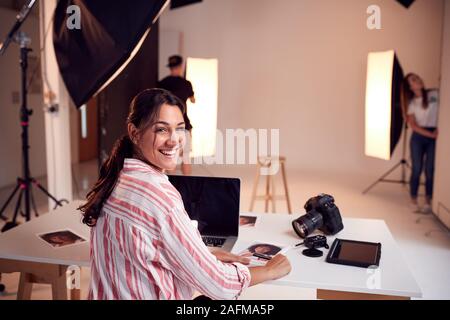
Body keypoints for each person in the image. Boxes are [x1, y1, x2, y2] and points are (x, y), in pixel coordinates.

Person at [79, 89, 291, 300]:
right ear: (134, 132)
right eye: (161, 130)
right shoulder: (159, 197)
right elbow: (221, 286)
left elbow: (138, 252)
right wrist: (270, 270)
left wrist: (200, 255)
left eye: (179, 129)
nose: (174, 141)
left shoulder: (116, 178)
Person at [402, 73, 439, 213]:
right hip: (418, 137)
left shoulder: (435, 94)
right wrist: (431, 134)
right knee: (417, 168)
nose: (418, 81)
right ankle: (413, 199)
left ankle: (428, 200)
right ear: (410, 87)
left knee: (430, 170)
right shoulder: (412, 103)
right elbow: (414, 126)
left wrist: (434, 134)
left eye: (418, 78)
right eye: (414, 81)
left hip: (433, 136)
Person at [158, 55, 195, 175]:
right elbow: (193, 100)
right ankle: (188, 187)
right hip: (184, 123)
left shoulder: (162, 83)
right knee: (186, 156)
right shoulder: (186, 84)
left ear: (170, 67)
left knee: (170, 157)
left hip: (167, 126)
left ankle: (171, 189)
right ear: (181, 66)